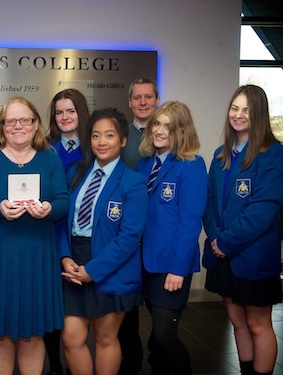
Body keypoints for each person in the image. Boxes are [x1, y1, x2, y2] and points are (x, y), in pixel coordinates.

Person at [0, 96, 68, 375]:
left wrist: (49, 209)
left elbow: (63, 201)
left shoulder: (49, 159)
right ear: (2, 125)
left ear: (36, 125)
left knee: (33, 332)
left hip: (38, 257)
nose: (18, 126)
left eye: (26, 120)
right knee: (0, 332)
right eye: (11, 120)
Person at [203, 85, 283, 375]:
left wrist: (225, 242)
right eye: (234, 108)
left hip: (252, 256)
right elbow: (210, 203)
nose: (238, 115)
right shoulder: (219, 155)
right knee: (237, 321)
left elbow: (262, 209)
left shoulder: (273, 154)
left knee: (257, 323)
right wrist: (216, 238)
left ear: (259, 115)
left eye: (246, 110)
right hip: (223, 253)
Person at [59, 108, 147, 375]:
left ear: (122, 140)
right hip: (73, 264)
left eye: (109, 135)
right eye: (96, 135)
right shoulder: (75, 172)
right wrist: (65, 257)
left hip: (111, 267)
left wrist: (93, 271)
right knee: (71, 339)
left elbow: (129, 238)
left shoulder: (133, 182)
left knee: (105, 338)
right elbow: (61, 220)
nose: (101, 141)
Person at [137, 101, 207, 374]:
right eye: (157, 123)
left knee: (165, 335)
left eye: (169, 126)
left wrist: (177, 269)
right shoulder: (145, 163)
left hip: (171, 266)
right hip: (145, 263)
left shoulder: (191, 165)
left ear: (182, 131)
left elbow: (190, 223)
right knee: (156, 337)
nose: (159, 131)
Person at [44, 88, 91, 375]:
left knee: (82, 311)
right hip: (47, 234)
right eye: (59, 112)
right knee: (51, 304)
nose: (64, 117)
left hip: (81, 238)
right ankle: (55, 364)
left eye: (70, 111)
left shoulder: (94, 146)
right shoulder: (44, 148)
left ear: (81, 113)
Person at [119, 77, 160, 375]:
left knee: (159, 306)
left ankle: (160, 358)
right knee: (129, 306)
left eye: (148, 97)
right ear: (130, 102)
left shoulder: (167, 133)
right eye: (138, 97)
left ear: (157, 99)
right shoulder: (122, 137)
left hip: (158, 230)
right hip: (128, 231)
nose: (143, 102)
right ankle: (130, 362)